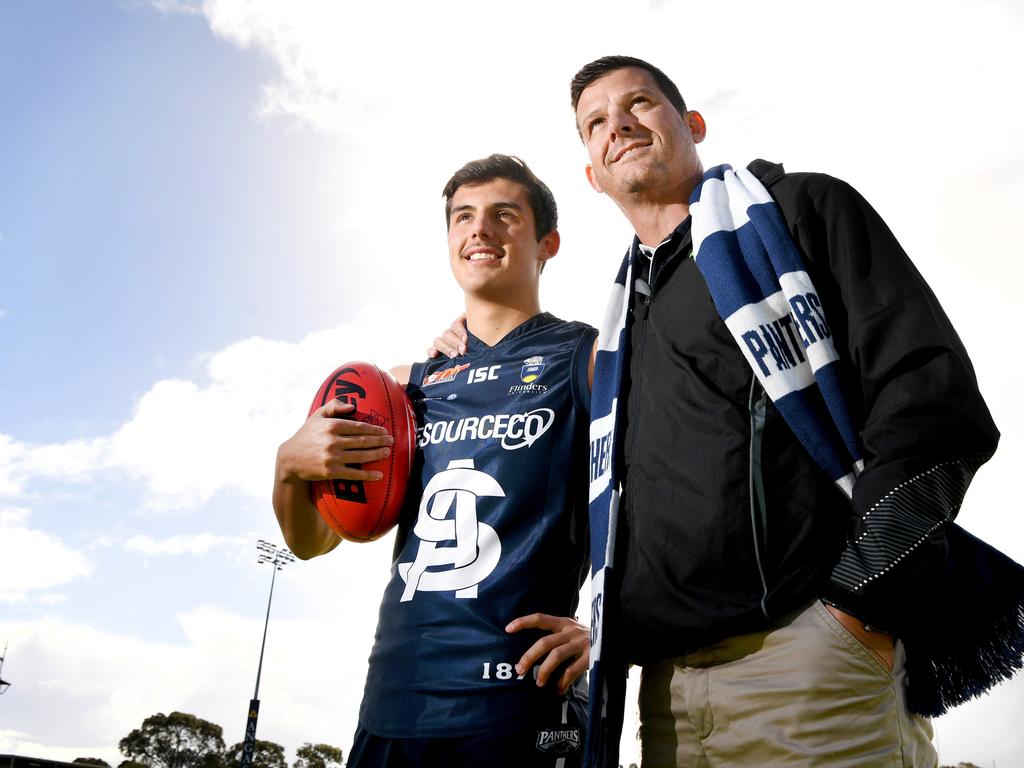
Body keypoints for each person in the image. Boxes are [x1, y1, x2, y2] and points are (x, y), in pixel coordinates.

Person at [427, 57, 1024, 768]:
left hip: (809, 672)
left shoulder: (800, 213)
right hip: (665, 698)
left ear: (692, 124)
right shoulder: (621, 329)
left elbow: (930, 399)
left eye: (639, 103)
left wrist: (856, 600)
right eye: (593, 123)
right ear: (592, 173)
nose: (616, 123)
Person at [272, 154, 597, 768]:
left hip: (522, 699)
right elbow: (311, 542)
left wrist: (610, 626)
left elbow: (660, 493)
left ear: (546, 242)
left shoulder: (586, 357)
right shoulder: (403, 391)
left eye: (505, 215)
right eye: (463, 217)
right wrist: (290, 466)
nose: (480, 230)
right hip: (396, 698)